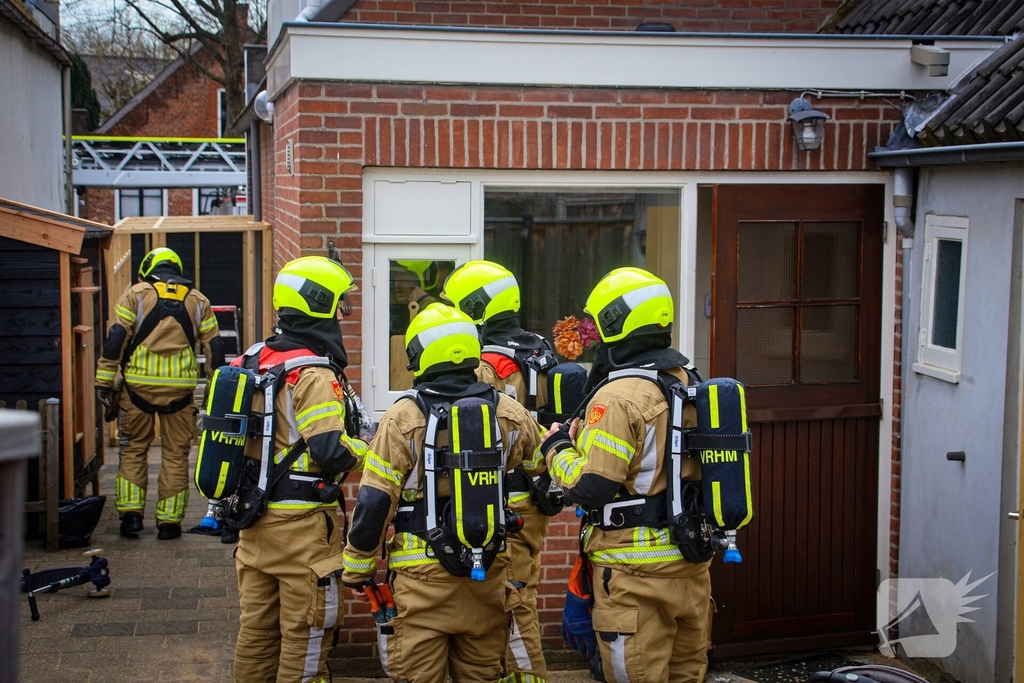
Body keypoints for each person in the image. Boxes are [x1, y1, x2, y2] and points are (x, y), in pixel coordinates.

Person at [341, 302, 542, 683]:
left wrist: (358, 565)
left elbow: (375, 500)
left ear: (418, 357)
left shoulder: (403, 417)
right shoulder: (508, 412)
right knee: (483, 674)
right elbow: (538, 468)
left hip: (422, 580)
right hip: (488, 572)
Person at [540, 267, 712, 683]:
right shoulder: (689, 382)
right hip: (690, 568)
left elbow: (592, 487)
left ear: (618, 323)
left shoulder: (618, 396)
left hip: (635, 577)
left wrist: (556, 448)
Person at [230, 256, 368, 683]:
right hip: (302, 525)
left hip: (253, 521)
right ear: (320, 303)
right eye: (340, 305)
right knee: (306, 634)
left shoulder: (254, 358)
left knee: (256, 632)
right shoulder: (311, 372)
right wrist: (372, 449)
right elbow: (330, 450)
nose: (343, 314)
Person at [440, 260, 561, 683]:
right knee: (518, 593)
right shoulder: (539, 349)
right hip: (535, 491)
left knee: (512, 604)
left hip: (504, 495)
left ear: (475, 307)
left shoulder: (485, 362)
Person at [95, 247, 223, 540]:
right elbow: (213, 347)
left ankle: (131, 518)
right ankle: (169, 524)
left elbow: (116, 338)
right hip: (180, 392)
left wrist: (104, 381)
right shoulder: (197, 300)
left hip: (137, 389)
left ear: (147, 269)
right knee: (176, 455)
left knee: (133, 449)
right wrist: (215, 385)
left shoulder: (136, 294)